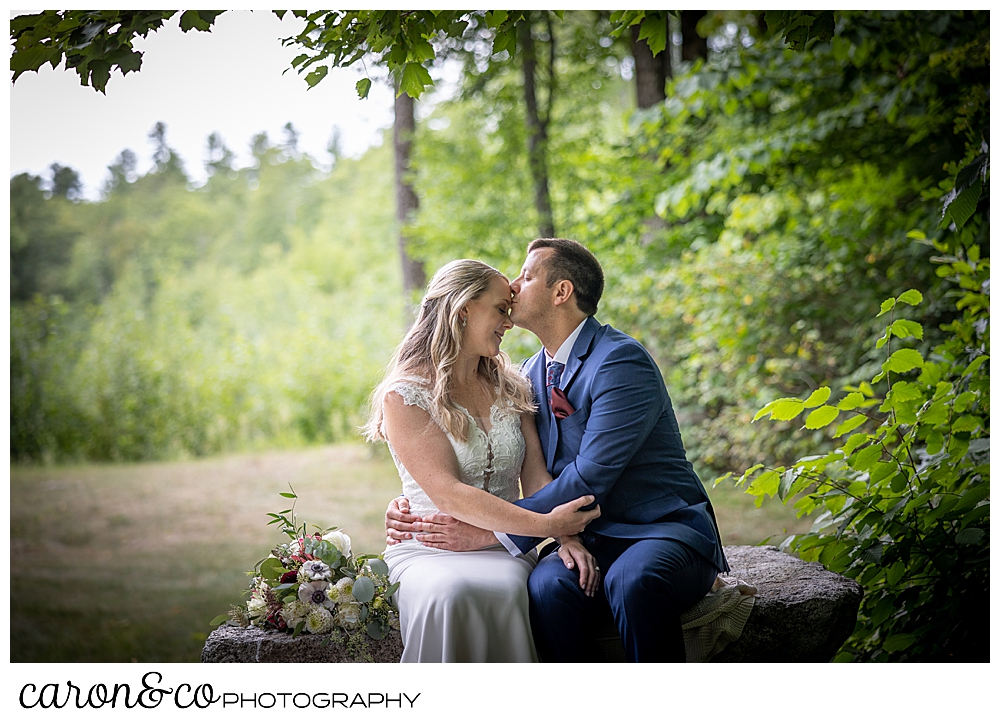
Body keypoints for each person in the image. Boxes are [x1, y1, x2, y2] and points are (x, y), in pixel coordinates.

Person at [387, 238, 728, 663]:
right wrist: (556, 531)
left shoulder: (620, 362)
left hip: (657, 527)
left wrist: (498, 532)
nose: (513, 287)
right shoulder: (528, 373)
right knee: (547, 588)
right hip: (585, 534)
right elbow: (480, 470)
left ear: (561, 292)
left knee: (632, 580)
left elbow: (589, 476)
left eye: (526, 276)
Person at [364, 258, 601, 663]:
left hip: (504, 550)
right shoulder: (404, 396)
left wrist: (565, 536)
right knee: (450, 593)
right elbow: (449, 495)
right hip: (429, 549)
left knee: (507, 588)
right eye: (500, 310)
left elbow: (537, 478)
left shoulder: (513, 386)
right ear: (463, 309)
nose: (508, 322)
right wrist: (547, 525)